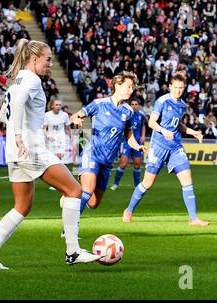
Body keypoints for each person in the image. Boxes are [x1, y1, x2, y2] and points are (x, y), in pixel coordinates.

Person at [0, 39, 102, 270]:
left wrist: (15, 136)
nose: (50, 64)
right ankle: (73, 251)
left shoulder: (16, 81)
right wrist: (19, 135)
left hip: (15, 151)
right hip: (31, 148)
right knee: (75, 190)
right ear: (34, 58)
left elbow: (6, 113)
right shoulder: (32, 80)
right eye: (48, 59)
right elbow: (16, 108)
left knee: (22, 206)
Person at [122, 72, 210, 226]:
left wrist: (192, 131)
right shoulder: (162, 101)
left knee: (187, 180)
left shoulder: (182, 105)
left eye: (181, 88)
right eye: (175, 87)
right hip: (159, 147)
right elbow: (152, 123)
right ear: (170, 86)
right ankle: (128, 210)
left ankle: (193, 218)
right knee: (147, 184)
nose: (178, 90)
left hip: (175, 147)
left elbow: (178, 125)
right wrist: (164, 131)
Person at [62, 72, 147, 225]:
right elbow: (75, 116)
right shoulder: (99, 104)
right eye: (128, 86)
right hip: (92, 153)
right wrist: (77, 120)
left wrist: (137, 146)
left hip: (108, 161)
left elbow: (129, 136)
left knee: (93, 203)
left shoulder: (128, 111)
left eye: (132, 87)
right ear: (117, 85)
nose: (131, 90)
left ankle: (71, 193)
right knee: (88, 189)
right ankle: (70, 227)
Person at [111, 97, 147, 190]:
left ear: (138, 106)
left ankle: (136, 186)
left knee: (137, 164)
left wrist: (143, 135)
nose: (134, 106)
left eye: (136, 104)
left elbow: (143, 125)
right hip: (127, 142)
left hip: (138, 143)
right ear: (130, 106)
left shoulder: (141, 115)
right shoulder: (126, 115)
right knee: (123, 163)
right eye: (132, 104)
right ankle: (116, 184)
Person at [43, 98, 72, 190]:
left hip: (61, 138)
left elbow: (68, 128)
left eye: (60, 105)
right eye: (56, 105)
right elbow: (44, 128)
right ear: (52, 105)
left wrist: (71, 139)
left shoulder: (64, 115)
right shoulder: (47, 115)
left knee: (58, 158)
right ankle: (56, 181)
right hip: (51, 139)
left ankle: (59, 182)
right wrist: (47, 135)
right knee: (52, 161)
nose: (58, 106)